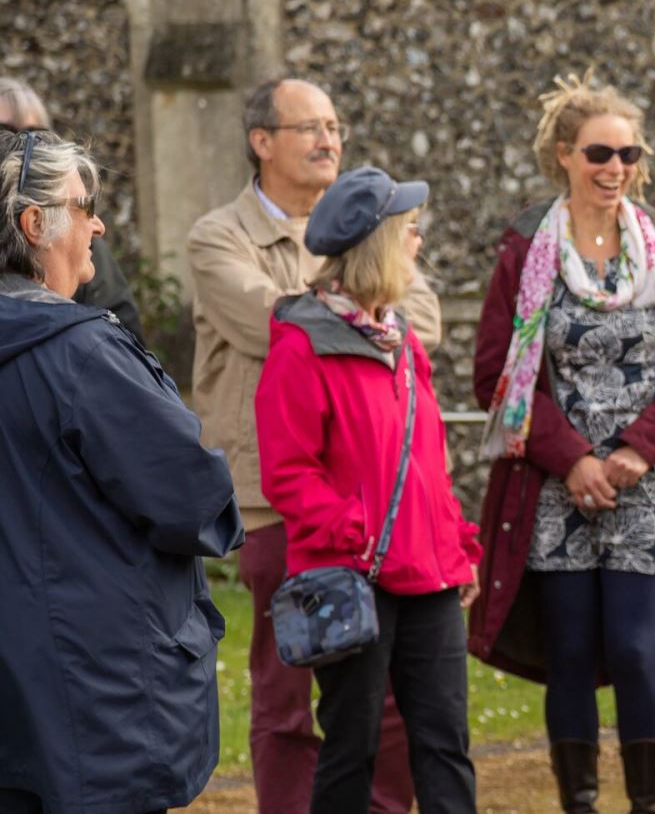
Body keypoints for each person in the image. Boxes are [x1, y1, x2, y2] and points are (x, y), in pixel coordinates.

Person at [468, 72, 655, 814]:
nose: (615, 167)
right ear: (564, 155)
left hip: (645, 481)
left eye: (629, 154)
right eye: (599, 152)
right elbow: (496, 374)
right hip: (554, 481)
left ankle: (647, 804)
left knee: (631, 650)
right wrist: (572, 459)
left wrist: (634, 450)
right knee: (567, 653)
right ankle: (581, 804)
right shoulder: (525, 249)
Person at [187, 77, 439, 814]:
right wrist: (368, 304)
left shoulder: (376, 221)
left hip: (379, 503)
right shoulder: (218, 237)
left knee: (388, 694)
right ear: (261, 142)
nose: (329, 140)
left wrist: (347, 308)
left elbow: (424, 320)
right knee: (288, 688)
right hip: (277, 496)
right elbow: (267, 322)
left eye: (334, 126)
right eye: (310, 128)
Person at [0, 128, 244, 813]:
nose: (98, 226)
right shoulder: (84, 355)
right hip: (96, 696)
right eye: (85, 207)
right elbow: (194, 501)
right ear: (35, 225)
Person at [255, 166, 480, 814]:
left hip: (430, 580)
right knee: (351, 747)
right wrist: (359, 531)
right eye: (410, 230)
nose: (419, 242)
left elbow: (427, 462)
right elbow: (288, 473)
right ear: (379, 245)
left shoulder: (404, 342)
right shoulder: (302, 347)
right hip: (350, 578)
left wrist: (456, 544)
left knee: (445, 745)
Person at [0, 76, 145, 342]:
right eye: (4, 134)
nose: (18, 146)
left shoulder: (82, 241)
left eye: (34, 135)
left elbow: (124, 335)